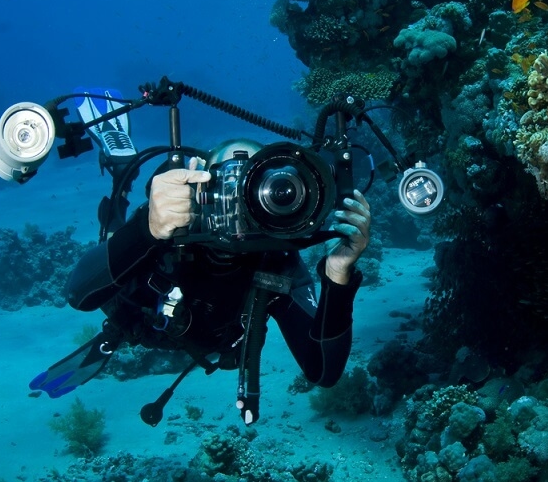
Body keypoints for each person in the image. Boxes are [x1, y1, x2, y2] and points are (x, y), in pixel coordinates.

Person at [30, 138, 371, 426]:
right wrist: (145, 230)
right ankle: (122, 174)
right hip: (135, 318)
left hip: (210, 342)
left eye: (254, 186)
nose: (239, 205)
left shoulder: (278, 263)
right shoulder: (170, 228)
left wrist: (337, 276)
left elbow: (323, 371)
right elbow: (79, 295)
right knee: (117, 234)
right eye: (227, 183)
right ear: (201, 185)